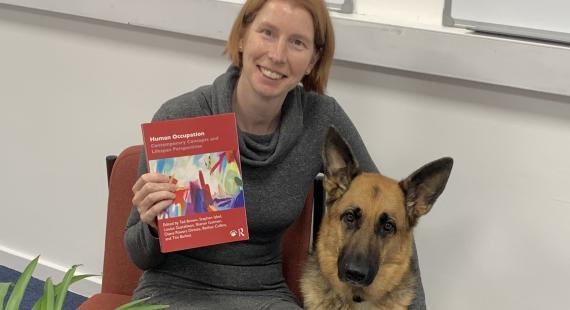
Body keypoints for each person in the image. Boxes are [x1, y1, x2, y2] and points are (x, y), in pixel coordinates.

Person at [125, 0, 426, 309]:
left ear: (312, 59)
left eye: (297, 42)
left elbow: (394, 210)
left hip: (263, 295)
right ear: (242, 37)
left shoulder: (321, 120)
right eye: (267, 32)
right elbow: (137, 254)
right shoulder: (182, 116)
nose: (278, 55)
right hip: (174, 290)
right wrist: (152, 227)